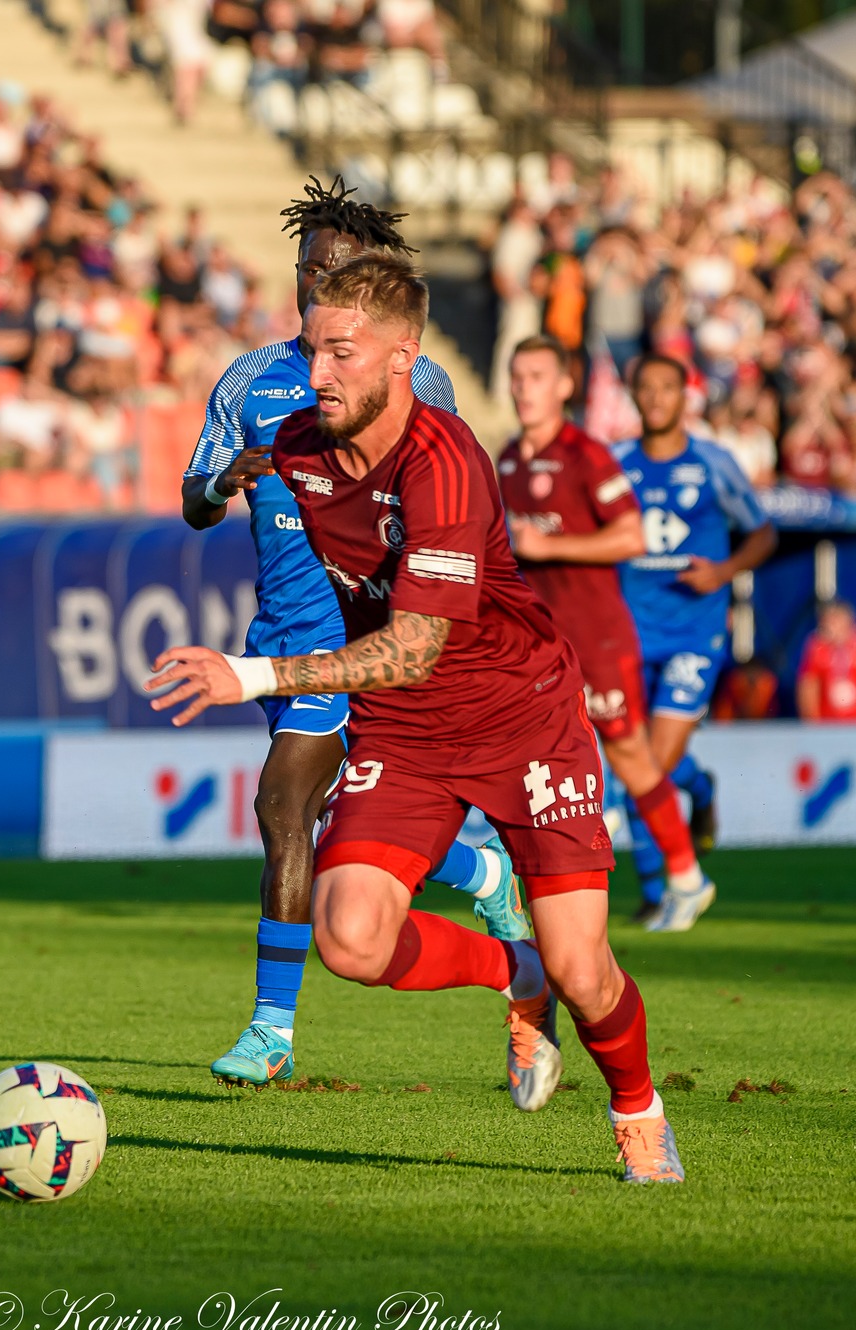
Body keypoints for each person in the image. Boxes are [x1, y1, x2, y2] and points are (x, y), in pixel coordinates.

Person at [150, 256, 684, 1183]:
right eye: (313, 348)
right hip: (407, 731)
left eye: (342, 353)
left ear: (404, 357)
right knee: (350, 936)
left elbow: (415, 647)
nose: (318, 372)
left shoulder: (446, 461)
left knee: (586, 970)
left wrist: (252, 674)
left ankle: (636, 1107)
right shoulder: (295, 442)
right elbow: (212, 496)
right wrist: (222, 484)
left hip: (522, 718)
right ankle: (510, 971)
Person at [181, 178, 523, 1089]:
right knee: (313, 819)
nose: (314, 280)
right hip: (288, 636)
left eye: (334, 269)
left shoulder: (421, 381)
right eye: (307, 267)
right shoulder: (250, 382)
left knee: (290, 811)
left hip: (375, 638)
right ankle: (479, 873)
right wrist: (227, 483)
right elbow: (193, 500)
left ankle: (270, 1027)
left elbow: (447, 502)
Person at [496, 334, 714, 928]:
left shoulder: (585, 453)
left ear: (566, 385)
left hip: (598, 638)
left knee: (632, 757)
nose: (523, 387)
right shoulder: (508, 459)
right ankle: (530, 884)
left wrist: (551, 545)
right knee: (525, 759)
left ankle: (687, 876)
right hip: (540, 647)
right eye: (517, 375)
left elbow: (633, 537)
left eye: (536, 375)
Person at [613, 355, 776, 928]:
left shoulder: (713, 462)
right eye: (646, 388)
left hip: (693, 635)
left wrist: (724, 571)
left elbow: (762, 532)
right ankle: (665, 869)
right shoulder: (616, 464)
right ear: (634, 396)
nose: (656, 398)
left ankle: (669, 884)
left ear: (686, 397)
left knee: (649, 764)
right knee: (639, 767)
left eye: (667, 388)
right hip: (631, 634)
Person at [795, 599, 856, 722]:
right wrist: (811, 720)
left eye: (836, 621)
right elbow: (808, 685)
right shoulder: (816, 645)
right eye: (828, 622)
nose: (831, 627)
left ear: (849, 621)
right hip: (827, 723)